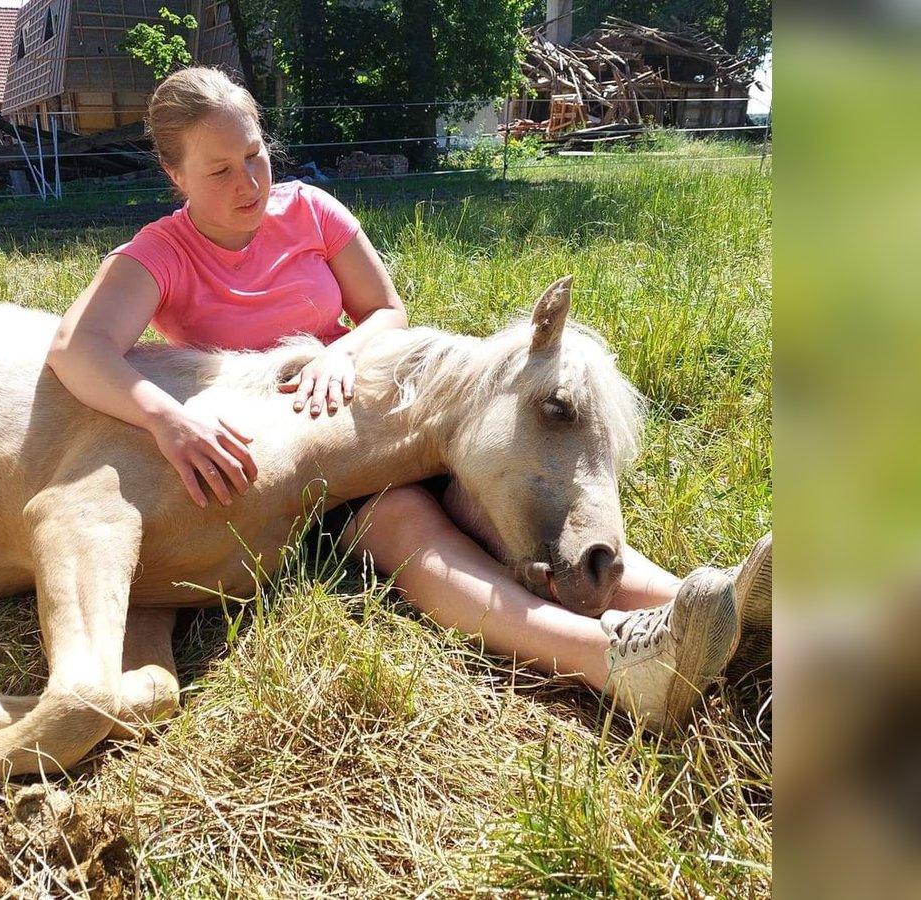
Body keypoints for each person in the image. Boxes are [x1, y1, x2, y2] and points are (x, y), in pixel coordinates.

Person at [46, 66, 771, 735]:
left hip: (385, 414)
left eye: (257, 155)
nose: (251, 182)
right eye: (220, 169)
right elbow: (77, 351)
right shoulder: (161, 252)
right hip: (296, 474)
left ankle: (725, 611)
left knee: (501, 494)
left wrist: (341, 351)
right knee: (407, 523)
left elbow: (386, 311)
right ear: (175, 175)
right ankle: (611, 661)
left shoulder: (312, 212)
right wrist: (167, 417)